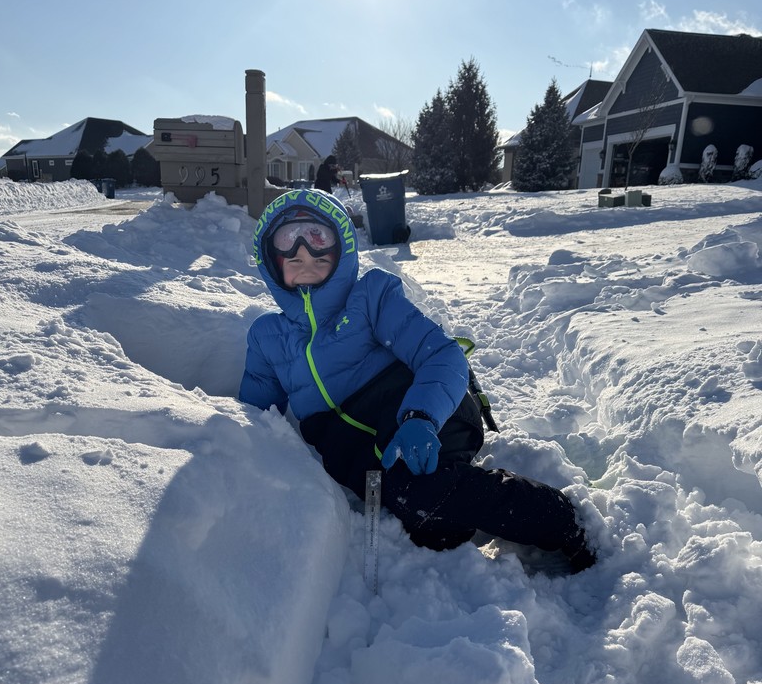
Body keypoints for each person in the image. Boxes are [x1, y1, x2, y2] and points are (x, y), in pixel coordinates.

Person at [239, 189, 596, 572]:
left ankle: (562, 519)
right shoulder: (267, 337)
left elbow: (443, 354)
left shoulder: (371, 298)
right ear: (271, 261)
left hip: (425, 414)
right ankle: (462, 499)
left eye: (318, 238)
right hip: (373, 462)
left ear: (341, 246)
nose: (304, 253)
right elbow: (253, 417)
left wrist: (421, 417)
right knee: (436, 529)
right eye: (288, 244)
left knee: (422, 492)